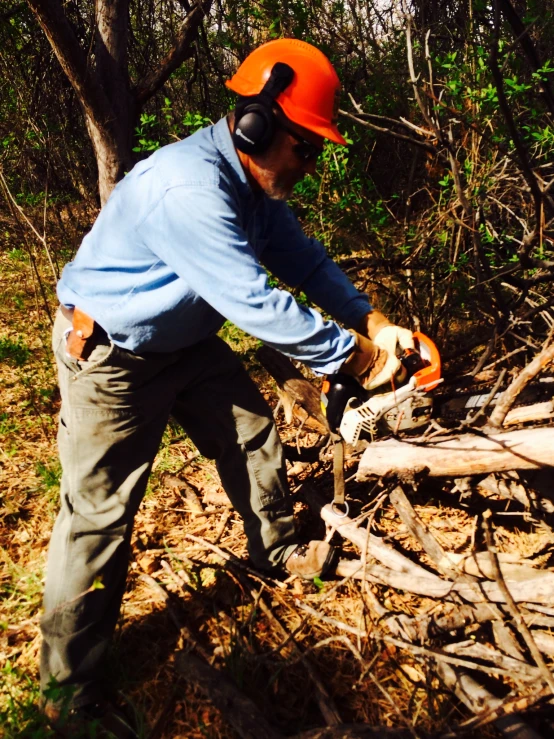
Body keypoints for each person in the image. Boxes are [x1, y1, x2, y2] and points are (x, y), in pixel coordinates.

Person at [41, 38, 413, 735]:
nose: (309, 166)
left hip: (183, 342)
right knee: (98, 517)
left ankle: (273, 552)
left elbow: (300, 259)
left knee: (250, 432)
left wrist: (375, 321)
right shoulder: (191, 187)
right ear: (257, 126)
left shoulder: (252, 184)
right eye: (305, 149)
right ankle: (67, 691)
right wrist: (358, 361)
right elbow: (257, 303)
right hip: (114, 357)